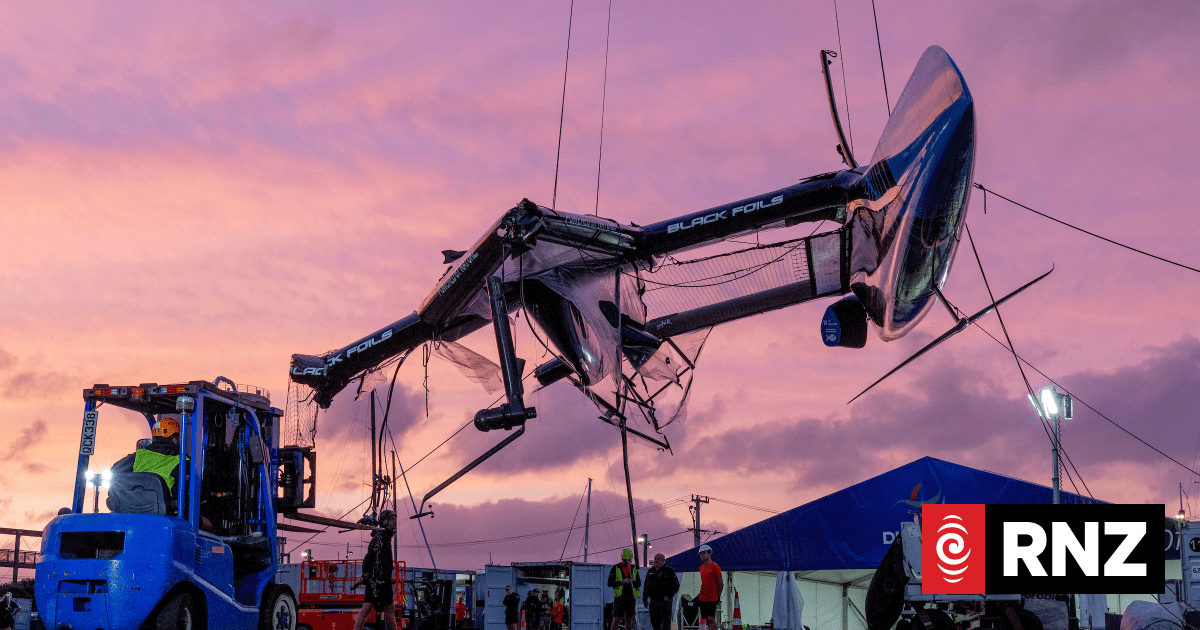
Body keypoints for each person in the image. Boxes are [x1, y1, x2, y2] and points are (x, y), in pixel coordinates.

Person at [354, 510, 400, 630]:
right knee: (388, 610)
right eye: (391, 519)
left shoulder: (383, 536)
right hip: (380, 582)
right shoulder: (381, 537)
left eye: (395, 519)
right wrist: (367, 574)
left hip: (377, 581)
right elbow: (369, 558)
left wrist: (366, 575)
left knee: (367, 609)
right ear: (384, 522)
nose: (394, 522)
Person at [643, 553, 679, 630]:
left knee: (665, 624)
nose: (656, 560)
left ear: (663, 560)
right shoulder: (650, 571)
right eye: (655, 559)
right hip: (653, 602)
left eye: (658, 559)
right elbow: (646, 585)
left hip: (664, 602)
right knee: (655, 624)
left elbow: (676, 585)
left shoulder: (669, 571)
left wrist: (669, 596)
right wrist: (645, 599)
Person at [608, 549, 641, 630]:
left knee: (629, 618)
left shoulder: (634, 568)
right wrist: (622, 582)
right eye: (624, 560)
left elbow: (638, 583)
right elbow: (610, 583)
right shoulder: (616, 568)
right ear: (621, 558)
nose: (626, 561)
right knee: (616, 618)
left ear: (631, 559)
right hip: (619, 597)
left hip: (631, 597)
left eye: (628, 560)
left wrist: (631, 581)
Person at [697, 544, 722, 630]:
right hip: (703, 597)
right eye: (701, 553)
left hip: (712, 597)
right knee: (706, 619)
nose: (702, 555)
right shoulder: (701, 567)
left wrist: (718, 595)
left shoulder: (715, 566)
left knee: (711, 618)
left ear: (709, 553)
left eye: (704, 553)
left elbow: (720, 582)